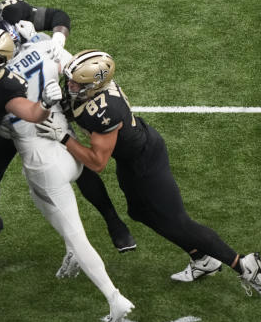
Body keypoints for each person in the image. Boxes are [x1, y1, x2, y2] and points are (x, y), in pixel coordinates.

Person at [37, 49, 261, 298]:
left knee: (178, 221)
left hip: (145, 159)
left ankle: (245, 265)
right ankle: (203, 259)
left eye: (76, 82)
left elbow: (97, 163)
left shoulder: (105, 109)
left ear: (95, 84)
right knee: (139, 213)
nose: (70, 85)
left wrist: (64, 137)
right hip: (129, 158)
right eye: (70, 78)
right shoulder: (87, 86)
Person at [0, 0, 136, 254]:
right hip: (3, 109)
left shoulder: (12, 11)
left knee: (79, 163)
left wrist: (57, 38)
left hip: (41, 96)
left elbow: (57, 17)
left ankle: (113, 221)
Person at [0, 28, 134, 322]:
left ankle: (114, 297)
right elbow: (80, 70)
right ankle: (74, 254)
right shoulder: (42, 51)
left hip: (44, 162)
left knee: (76, 234)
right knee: (47, 209)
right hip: (69, 149)